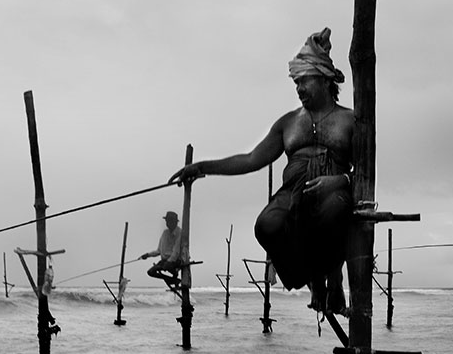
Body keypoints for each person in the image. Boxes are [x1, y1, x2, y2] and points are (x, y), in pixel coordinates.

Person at [168, 27, 353, 316]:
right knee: (266, 225)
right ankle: (314, 280)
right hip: (294, 193)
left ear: (325, 79)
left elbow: (365, 172)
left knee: (332, 214)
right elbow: (251, 159)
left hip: (336, 194)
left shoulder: (350, 120)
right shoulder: (289, 123)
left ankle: (334, 280)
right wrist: (201, 167)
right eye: (296, 83)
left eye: (304, 81)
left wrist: (338, 181)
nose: (299, 89)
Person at [140, 210, 183, 286]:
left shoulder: (179, 233)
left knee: (167, 265)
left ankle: (174, 275)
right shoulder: (165, 233)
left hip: (175, 261)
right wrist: (147, 255)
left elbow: (176, 252)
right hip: (164, 261)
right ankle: (172, 280)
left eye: (170, 221)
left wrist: (169, 262)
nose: (168, 223)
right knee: (150, 272)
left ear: (175, 222)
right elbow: (159, 251)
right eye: (167, 221)